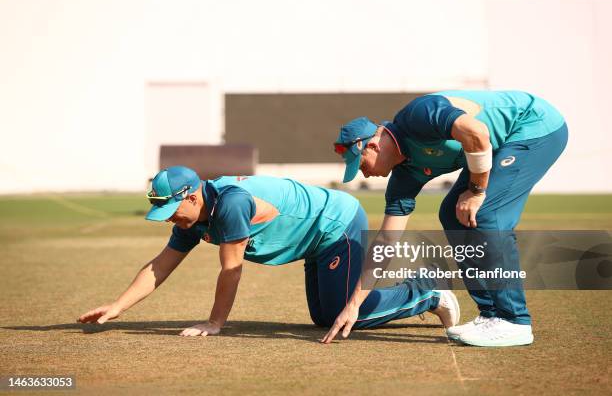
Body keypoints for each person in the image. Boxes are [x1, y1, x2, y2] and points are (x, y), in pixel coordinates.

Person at [78, 165, 459, 336]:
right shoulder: (194, 217)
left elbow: (231, 270)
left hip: (335, 224)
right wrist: (117, 307)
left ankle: (427, 291)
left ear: (192, 196)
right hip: (315, 241)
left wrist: (215, 323)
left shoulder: (229, 204)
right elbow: (161, 265)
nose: (167, 219)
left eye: (170, 210)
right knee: (324, 316)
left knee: (345, 317)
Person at [324, 90, 568, 347]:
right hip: (497, 145)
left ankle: (515, 321)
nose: (364, 173)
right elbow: (386, 241)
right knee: (452, 214)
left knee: (486, 213)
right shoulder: (404, 178)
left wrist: (476, 191)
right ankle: (491, 314)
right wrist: (353, 306)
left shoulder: (418, 116)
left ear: (372, 146)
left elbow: (477, 134)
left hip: (534, 125)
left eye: (361, 165)